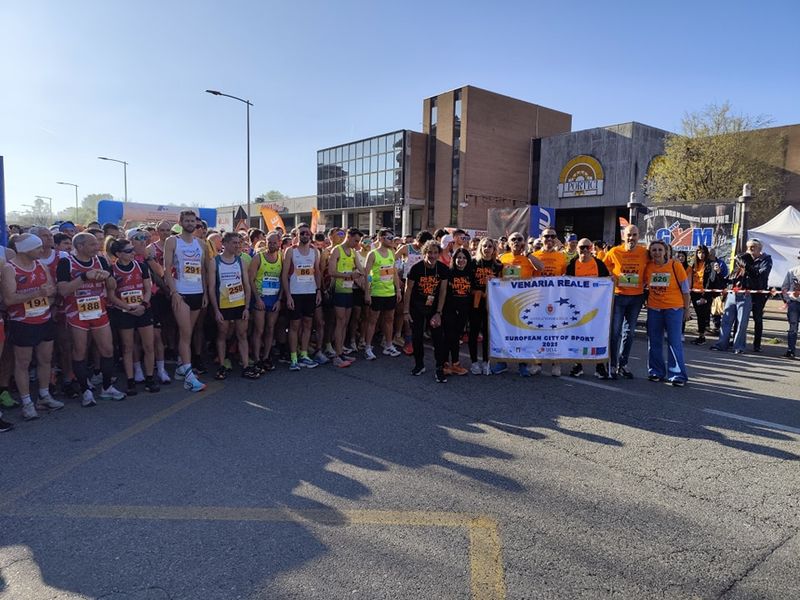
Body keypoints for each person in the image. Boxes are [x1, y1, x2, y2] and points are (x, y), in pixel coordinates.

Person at [57, 232, 127, 405]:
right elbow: (63, 290)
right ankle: (85, 390)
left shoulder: (101, 261)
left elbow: (112, 286)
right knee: (80, 351)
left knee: (107, 350)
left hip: (98, 310)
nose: (97, 247)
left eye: (97, 244)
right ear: (80, 246)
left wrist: (108, 278)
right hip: (76, 313)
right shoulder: (66, 263)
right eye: (92, 244)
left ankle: (106, 387)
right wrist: (84, 277)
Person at [1, 234, 63, 420]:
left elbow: (51, 289)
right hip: (23, 322)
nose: (42, 250)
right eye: (37, 248)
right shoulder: (9, 269)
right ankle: (27, 402)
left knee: (45, 359)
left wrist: (48, 296)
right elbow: (9, 299)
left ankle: (44, 396)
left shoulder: (41, 265)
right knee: (23, 364)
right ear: (26, 250)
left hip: (43, 318)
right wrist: (37, 292)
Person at [163, 210, 208, 391]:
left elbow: (203, 270)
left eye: (193, 221)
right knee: (186, 332)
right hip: (181, 293)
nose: (190, 223)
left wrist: (204, 293)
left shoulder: (201, 244)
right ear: (181, 222)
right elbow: (166, 269)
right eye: (187, 220)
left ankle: (182, 368)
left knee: (187, 335)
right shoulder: (173, 241)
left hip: (197, 292)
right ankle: (189, 377)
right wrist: (174, 292)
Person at [107, 239, 160, 395]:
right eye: (128, 251)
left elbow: (148, 288)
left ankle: (150, 378)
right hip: (124, 312)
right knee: (128, 347)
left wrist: (143, 305)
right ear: (118, 254)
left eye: (132, 250)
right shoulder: (112, 270)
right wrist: (128, 308)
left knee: (149, 345)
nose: (133, 253)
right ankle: (130, 381)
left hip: (143, 309)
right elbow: (111, 296)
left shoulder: (141, 266)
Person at [494, 232, 545, 376]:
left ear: (523, 242)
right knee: (505, 333)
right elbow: (495, 278)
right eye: (513, 239)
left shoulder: (529, 258)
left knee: (522, 334)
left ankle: (522, 364)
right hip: (505, 303)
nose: (516, 241)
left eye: (519, 239)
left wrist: (528, 255)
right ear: (508, 243)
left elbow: (541, 268)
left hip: (525, 304)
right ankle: (501, 362)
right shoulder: (502, 258)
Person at [208, 232, 256, 380]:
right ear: (225, 244)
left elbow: (246, 285)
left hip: (239, 303)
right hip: (223, 305)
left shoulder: (240, 261)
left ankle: (246, 366)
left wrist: (247, 307)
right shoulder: (214, 262)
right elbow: (211, 288)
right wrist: (216, 310)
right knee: (223, 334)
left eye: (239, 243)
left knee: (242, 335)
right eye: (234, 243)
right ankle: (222, 365)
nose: (238, 246)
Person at [603, 225, 650, 379]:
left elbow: (653, 267)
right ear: (623, 236)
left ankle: (623, 364)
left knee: (629, 333)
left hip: (637, 297)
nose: (631, 238)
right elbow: (603, 268)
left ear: (639, 236)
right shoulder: (614, 251)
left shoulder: (644, 252)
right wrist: (610, 276)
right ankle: (612, 365)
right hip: (618, 296)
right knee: (615, 332)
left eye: (634, 235)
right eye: (629, 235)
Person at [643, 240, 690, 386]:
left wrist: (686, 309)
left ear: (665, 252)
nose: (656, 252)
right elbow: (645, 285)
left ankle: (677, 375)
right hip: (654, 309)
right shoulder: (648, 267)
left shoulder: (675, 265)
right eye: (654, 250)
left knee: (674, 341)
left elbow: (686, 290)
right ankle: (656, 372)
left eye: (659, 250)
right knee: (654, 341)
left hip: (674, 309)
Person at [565, 239, 611, 378]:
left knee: (597, 335)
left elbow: (607, 280)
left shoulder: (599, 264)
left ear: (591, 248)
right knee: (578, 336)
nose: (584, 250)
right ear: (577, 248)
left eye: (587, 247)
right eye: (581, 247)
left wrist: (611, 280)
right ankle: (577, 365)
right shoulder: (572, 264)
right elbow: (566, 282)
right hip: (577, 307)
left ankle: (599, 366)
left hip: (596, 306)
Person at [404, 240, 449, 382]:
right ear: (424, 253)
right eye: (430, 252)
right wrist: (406, 311)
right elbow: (408, 289)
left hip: (434, 308)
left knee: (437, 338)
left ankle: (439, 368)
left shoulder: (442, 269)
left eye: (435, 253)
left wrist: (439, 312)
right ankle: (419, 364)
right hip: (416, 307)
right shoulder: (416, 268)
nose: (432, 256)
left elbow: (443, 291)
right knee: (417, 337)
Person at [711, 241, 764, 355]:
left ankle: (739, 346)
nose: (738, 261)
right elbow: (726, 281)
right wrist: (719, 272)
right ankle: (721, 344)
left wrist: (741, 260)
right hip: (731, 295)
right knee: (726, 321)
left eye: (740, 260)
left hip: (745, 296)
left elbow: (755, 276)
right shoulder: (736, 270)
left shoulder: (752, 269)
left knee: (741, 323)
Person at [281, 222, 321, 370]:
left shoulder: (314, 251)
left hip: (310, 292)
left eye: (307, 233)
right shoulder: (291, 251)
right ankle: (293, 358)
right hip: (295, 293)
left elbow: (317, 272)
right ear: (296, 235)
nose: (305, 235)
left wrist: (318, 291)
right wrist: (288, 296)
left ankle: (304, 354)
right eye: (302, 233)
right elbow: (284, 275)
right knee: (294, 326)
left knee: (308, 325)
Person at [363, 228, 402, 360]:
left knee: (389, 319)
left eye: (393, 238)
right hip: (376, 292)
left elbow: (394, 272)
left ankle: (389, 345)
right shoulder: (373, 254)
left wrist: (398, 290)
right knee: (372, 321)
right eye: (389, 238)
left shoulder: (392, 252)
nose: (392, 240)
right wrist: (367, 292)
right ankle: (367, 347)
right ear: (381, 239)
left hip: (390, 292)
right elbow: (367, 274)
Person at [327, 227, 363, 368]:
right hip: (339, 290)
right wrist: (349, 275)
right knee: (340, 322)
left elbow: (361, 269)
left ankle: (340, 352)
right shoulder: (337, 250)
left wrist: (363, 274)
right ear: (348, 237)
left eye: (358, 241)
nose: (357, 243)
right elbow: (331, 271)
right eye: (355, 240)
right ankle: (336, 356)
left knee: (345, 323)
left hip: (349, 290)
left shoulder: (353, 252)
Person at [248, 231, 283, 371]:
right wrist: (257, 299)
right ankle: (257, 358)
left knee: (270, 329)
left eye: (275, 242)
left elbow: (282, 279)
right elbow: (251, 279)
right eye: (270, 242)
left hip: (274, 298)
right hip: (260, 299)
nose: (272, 245)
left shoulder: (281, 258)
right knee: (259, 329)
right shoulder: (258, 258)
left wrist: (279, 300)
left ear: (279, 243)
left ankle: (266, 357)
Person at [469, 238, 502, 375]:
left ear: (494, 249)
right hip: (475, 302)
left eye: (490, 246)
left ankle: (486, 361)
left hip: (491, 303)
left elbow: (502, 285)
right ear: (480, 248)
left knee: (488, 333)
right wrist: (475, 292)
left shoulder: (498, 265)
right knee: (474, 332)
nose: (487, 248)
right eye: (484, 246)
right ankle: (474, 362)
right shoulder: (473, 263)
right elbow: (468, 282)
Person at [442, 247, 473, 376]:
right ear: (454, 259)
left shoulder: (471, 274)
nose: (461, 260)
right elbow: (442, 292)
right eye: (459, 257)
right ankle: (445, 364)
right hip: (449, 310)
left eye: (464, 258)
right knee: (449, 337)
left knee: (456, 338)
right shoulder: (448, 273)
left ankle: (454, 364)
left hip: (463, 312)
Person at [686, 245, 724, 345]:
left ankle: (702, 336)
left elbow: (713, 280)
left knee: (702, 315)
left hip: (706, 293)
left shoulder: (711, 264)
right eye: (699, 252)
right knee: (699, 315)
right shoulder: (693, 265)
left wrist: (705, 295)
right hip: (695, 293)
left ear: (706, 253)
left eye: (703, 253)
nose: (701, 255)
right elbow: (688, 277)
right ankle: (701, 335)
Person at [744, 239, 773, 352]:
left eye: (753, 247)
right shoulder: (746, 258)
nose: (750, 250)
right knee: (741, 318)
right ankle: (737, 341)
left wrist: (748, 268)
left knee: (758, 318)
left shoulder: (766, 259)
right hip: (746, 291)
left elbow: (762, 273)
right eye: (748, 247)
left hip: (759, 293)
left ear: (759, 249)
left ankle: (757, 344)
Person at [780, 251, 800, 359]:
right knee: (793, 327)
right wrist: (788, 300)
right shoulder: (792, 271)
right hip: (794, 303)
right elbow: (784, 288)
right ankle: (790, 350)